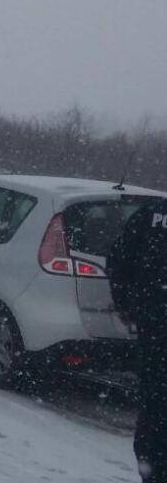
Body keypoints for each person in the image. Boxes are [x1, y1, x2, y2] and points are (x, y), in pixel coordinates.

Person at [108, 197, 167, 483]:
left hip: (155, 325)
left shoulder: (153, 214)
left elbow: (119, 259)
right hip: (156, 323)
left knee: (155, 407)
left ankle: (153, 472)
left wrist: (126, 306)